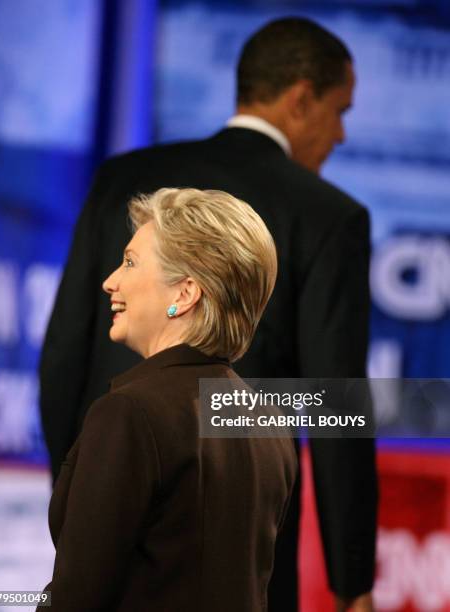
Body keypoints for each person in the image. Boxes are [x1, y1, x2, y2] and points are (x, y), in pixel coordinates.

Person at [40, 16, 377, 612]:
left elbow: (65, 353)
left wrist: (83, 505)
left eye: (128, 264)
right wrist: (352, 585)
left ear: (187, 292)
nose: (341, 134)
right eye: (340, 111)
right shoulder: (328, 215)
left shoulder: (122, 178)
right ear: (302, 100)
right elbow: (333, 406)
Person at [39, 187, 296, 611]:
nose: (110, 281)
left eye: (130, 262)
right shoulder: (267, 421)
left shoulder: (131, 414)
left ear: (184, 294)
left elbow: (77, 598)